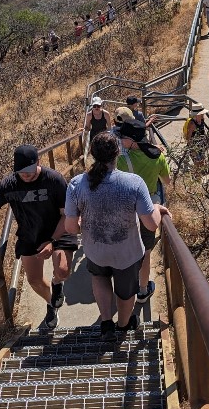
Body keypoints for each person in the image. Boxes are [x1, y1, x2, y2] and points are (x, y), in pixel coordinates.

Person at [64, 132, 168, 339]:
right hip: (127, 253)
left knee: (99, 278)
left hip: (95, 251)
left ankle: (106, 322)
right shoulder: (134, 183)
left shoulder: (76, 184)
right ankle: (122, 325)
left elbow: (70, 228)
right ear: (118, 153)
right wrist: (157, 206)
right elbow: (151, 223)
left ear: (92, 154)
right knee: (126, 290)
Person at [0, 145, 75, 330]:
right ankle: (51, 304)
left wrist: (52, 242)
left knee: (63, 271)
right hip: (30, 234)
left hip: (58, 231)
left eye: (29, 170)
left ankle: (57, 284)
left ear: (38, 162)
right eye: (21, 171)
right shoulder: (10, 184)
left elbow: (66, 215)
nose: (26, 175)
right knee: (34, 280)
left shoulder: (54, 180)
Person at [113, 107, 170, 304]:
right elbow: (167, 181)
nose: (121, 140)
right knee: (145, 251)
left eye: (123, 138)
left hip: (125, 209)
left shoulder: (120, 159)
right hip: (149, 208)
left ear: (132, 141)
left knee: (127, 248)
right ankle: (143, 290)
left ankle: (125, 287)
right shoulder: (158, 156)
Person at [183, 102, 208, 170]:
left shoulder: (202, 120)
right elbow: (189, 137)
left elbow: (202, 131)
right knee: (197, 163)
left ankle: (199, 176)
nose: (203, 114)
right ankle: (197, 177)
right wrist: (192, 149)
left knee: (202, 161)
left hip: (201, 144)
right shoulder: (192, 124)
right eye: (202, 113)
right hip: (194, 146)